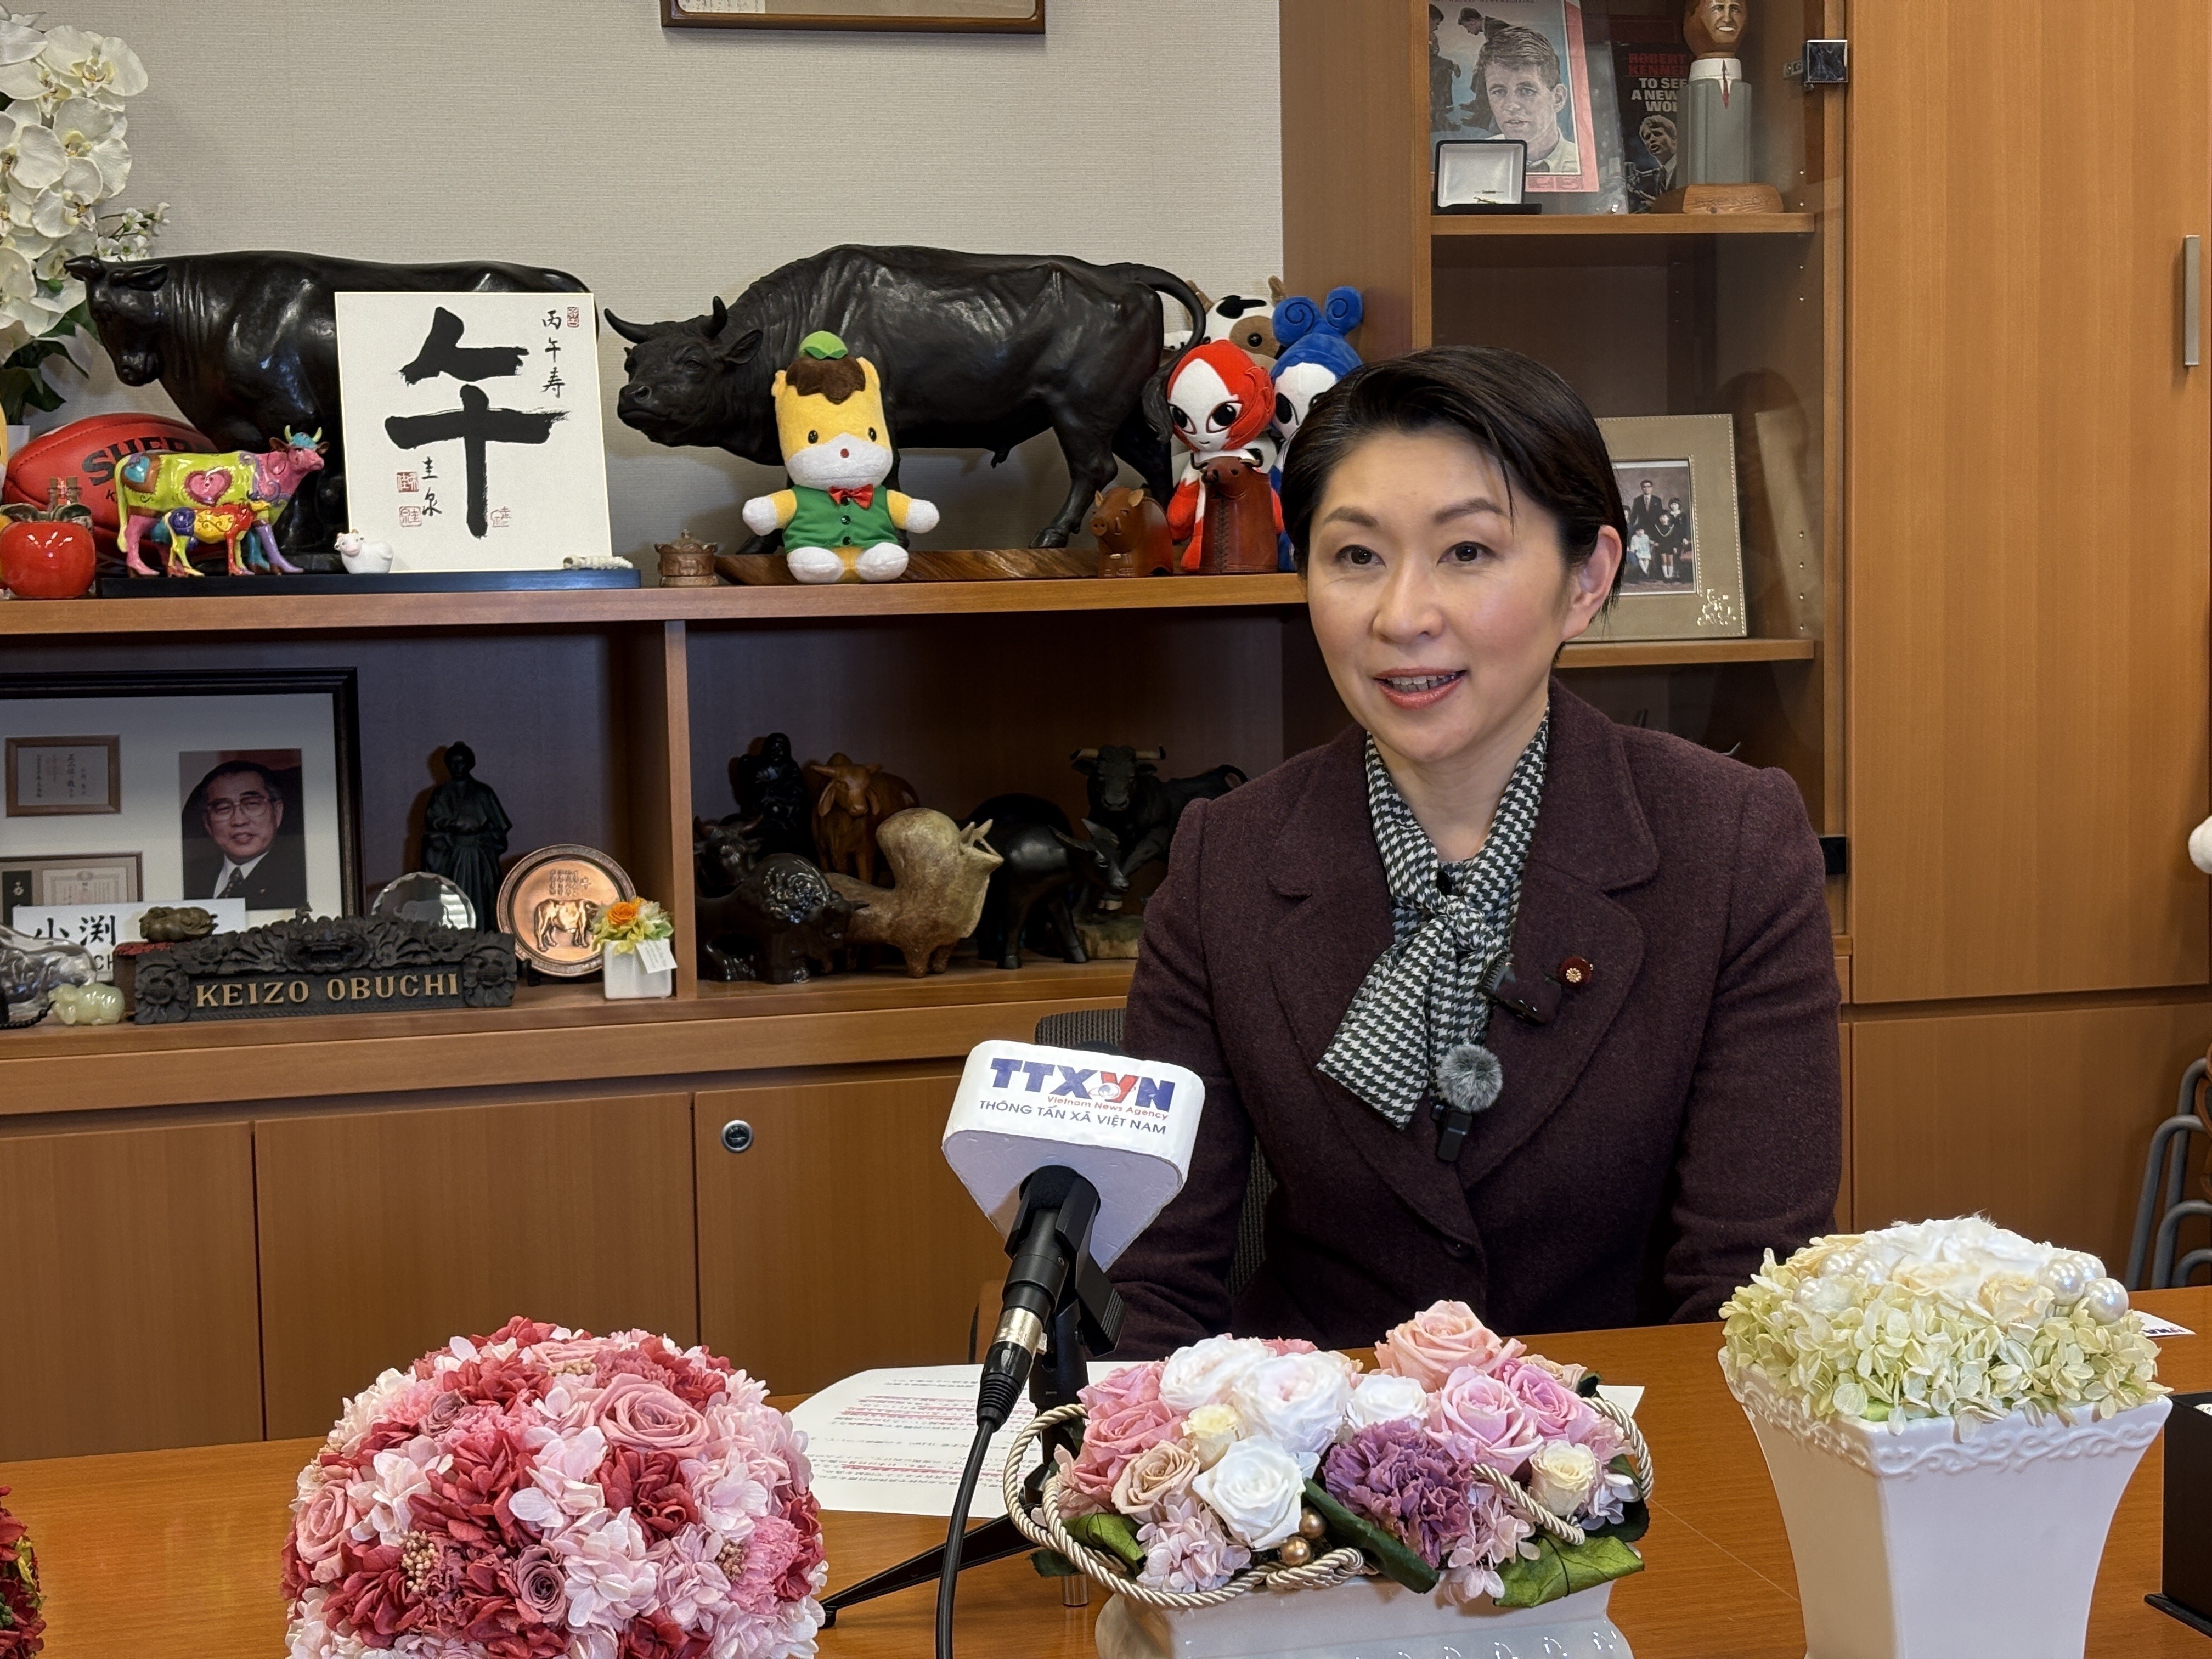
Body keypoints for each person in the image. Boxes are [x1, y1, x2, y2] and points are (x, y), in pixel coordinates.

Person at [1109, 346, 1839, 1356]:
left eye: (1467, 553)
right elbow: (1155, 1281)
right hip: (1310, 1466)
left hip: (1625, 1466)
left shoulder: (1731, 844)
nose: (1402, 616)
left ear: (1586, 578)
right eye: (1355, 555)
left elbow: (1747, 1290)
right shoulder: (1224, 858)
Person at [184, 759, 307, 907]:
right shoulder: (188, 877)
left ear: (277, 813)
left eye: (252, 804)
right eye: (223, 808)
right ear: (207, 823)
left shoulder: (303, 877)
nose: (239, 821)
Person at [1475, 23, 1579, 176]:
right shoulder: (1475, 161)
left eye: (1526, 91)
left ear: (1558, 98)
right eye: (1499, 91)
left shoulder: (1583, 165)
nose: (1511, 106)